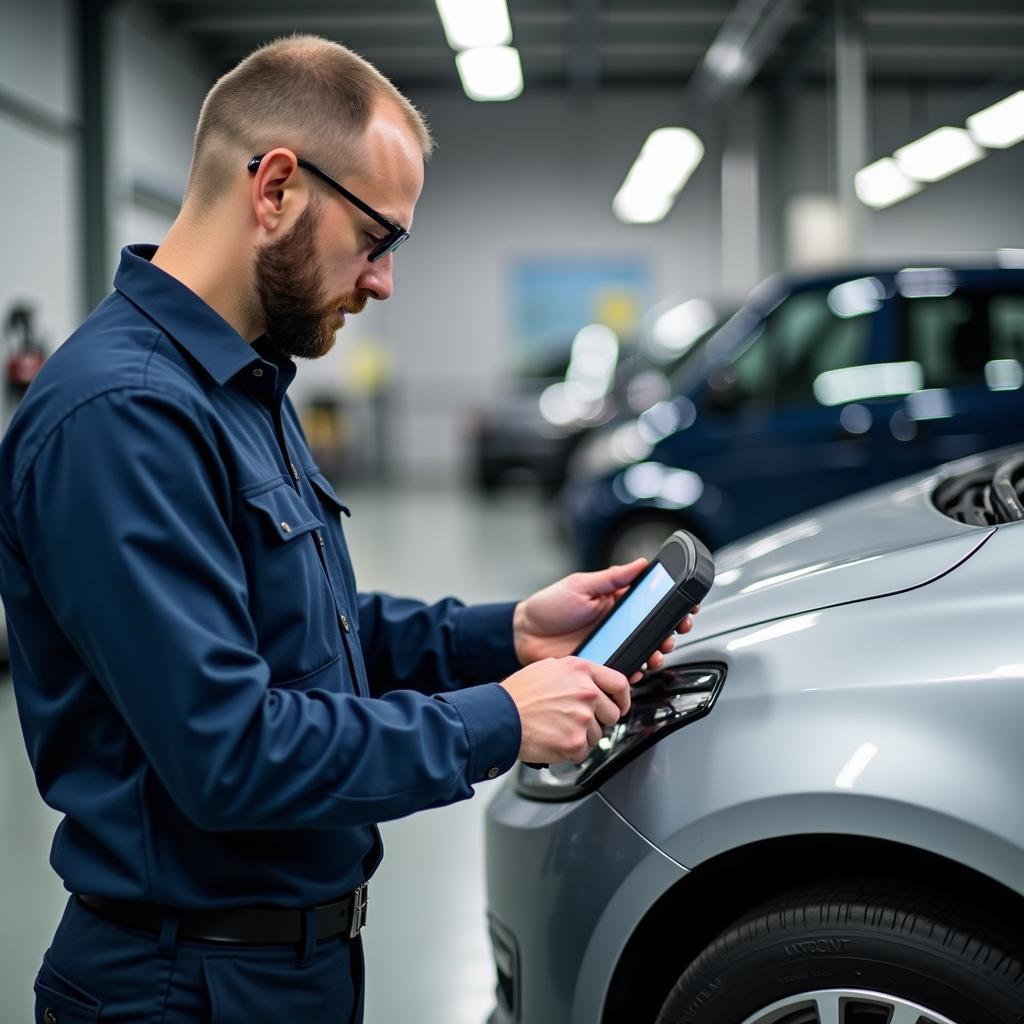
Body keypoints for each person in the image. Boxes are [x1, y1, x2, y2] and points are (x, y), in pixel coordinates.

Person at [0, 35, 695, 1024]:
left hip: (285, 969)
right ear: (276, 186)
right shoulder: (123, 414)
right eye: (379, 238)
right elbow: (231, 751)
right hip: (182, 988)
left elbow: (308, 639)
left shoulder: (243, 382)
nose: (382, 282)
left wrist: (507, 634)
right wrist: (502, 715)